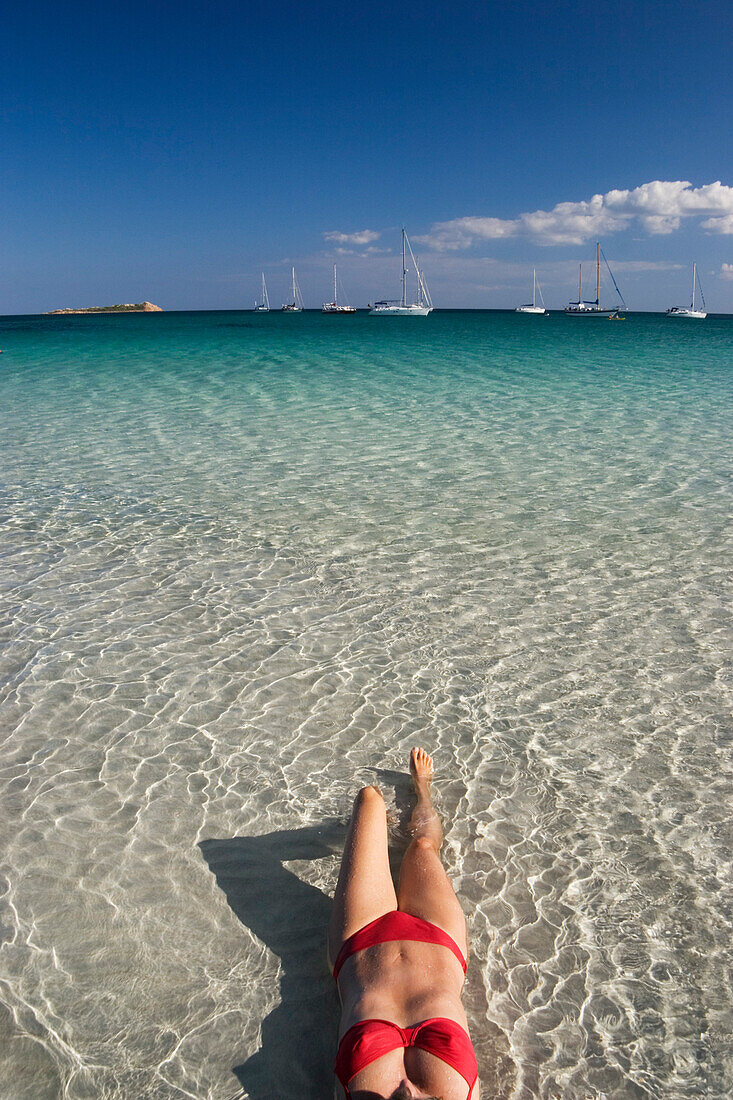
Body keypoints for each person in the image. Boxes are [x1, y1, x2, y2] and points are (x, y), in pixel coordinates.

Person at [329, 748, 479, 1100]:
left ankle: (374, 829)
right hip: (436, 937)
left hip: (363, 939)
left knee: (368, 800)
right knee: (423, 847)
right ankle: (423, 788)